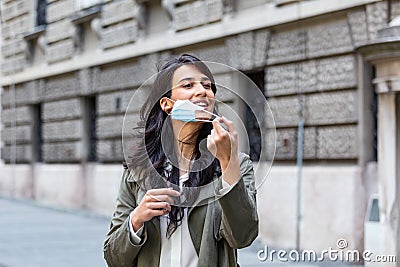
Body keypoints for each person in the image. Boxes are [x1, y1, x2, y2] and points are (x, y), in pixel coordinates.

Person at [103, 54, 258, 267]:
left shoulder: (237, 165)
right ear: (167, 104)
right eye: (188, 85)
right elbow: (113, 258)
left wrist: (227, 160)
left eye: (207, 85)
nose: (203, 91)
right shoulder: (138, 170)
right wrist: (136, 218)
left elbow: (242, 237)